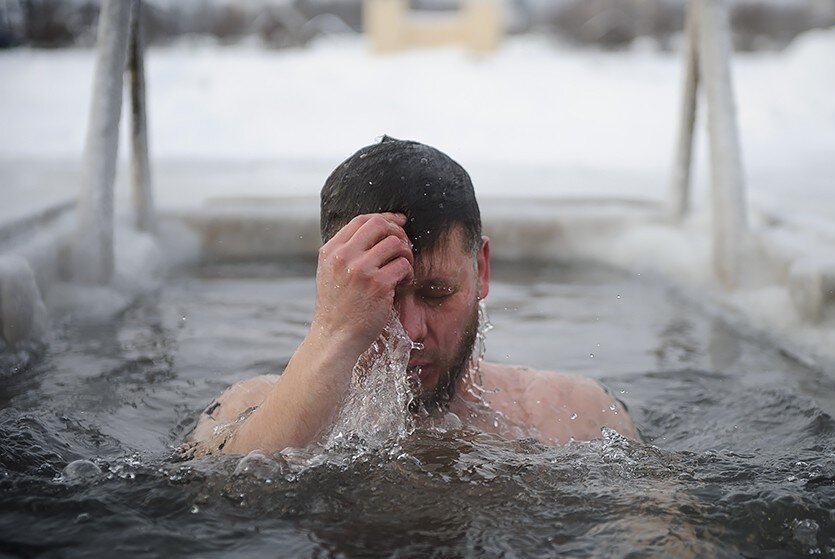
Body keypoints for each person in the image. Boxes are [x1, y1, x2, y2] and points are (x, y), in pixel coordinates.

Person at [183, 136, 635, 457]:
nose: (411, 331)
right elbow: (209, 503)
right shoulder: (247, 414)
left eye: (437, 294)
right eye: (377, 294)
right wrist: (333, 332)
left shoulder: (573, 413)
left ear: (481, 269)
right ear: (334, 283)